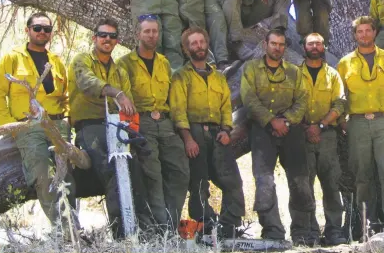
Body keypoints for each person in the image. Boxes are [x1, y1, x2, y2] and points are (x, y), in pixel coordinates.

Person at [0, 12, 75, 229]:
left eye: (46, 29)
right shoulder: (12, 57)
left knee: (67, 178)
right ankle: (64, 230)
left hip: (57, 126)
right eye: (37, 28)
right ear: (28, 30)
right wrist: (12, 127)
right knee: (43, 175)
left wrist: (67, 119)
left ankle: (75, 227)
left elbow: (66, 95)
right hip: (28, 126)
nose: (42, 32)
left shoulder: (56, 61)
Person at [239, 29, 313, 244]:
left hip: (292, 131)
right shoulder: (251, 69)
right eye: (273, 44)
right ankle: (272, 232)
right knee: (265, 181)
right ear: (265, 44)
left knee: (300, 180)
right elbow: (248, 99)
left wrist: (286, 121)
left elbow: (302, 100)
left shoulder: (294, 72)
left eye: (281, 45)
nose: (277, 48)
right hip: (262, 130)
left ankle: (301, 233)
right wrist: (272, 121)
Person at [170, 27, 245, 238]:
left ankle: (230, 227)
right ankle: (205, 227)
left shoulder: (218, 78)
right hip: (194, 133)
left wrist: (226, 129)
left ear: (207, 45)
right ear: (187, 49)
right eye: (193, 43)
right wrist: (187, 139)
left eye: (201, 42)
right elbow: (178, 110)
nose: (199, 46)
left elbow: (226, 108)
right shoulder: (181, 77)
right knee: (199, 182)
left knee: (232, 180)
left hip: (218, 134)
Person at [119, 16, 189, 233]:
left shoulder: (164, 62)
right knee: (153, 175)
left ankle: (171, 221)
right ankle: (160, 230)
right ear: (138, 34)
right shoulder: (125, 63)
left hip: (166, 124)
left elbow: (172, 98)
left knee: (180, 171)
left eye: (155, 31)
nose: (151, 35)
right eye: (147, 31)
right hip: (143, 123)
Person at [337, 16, 384, 230]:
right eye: (360, 31)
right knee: (362, 175)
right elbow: (339, 97)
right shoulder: (345, 62)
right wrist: (343, 122)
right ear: (355, 35)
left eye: (368, 30)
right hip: (357, 124)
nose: (364, 35)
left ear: (375, 32)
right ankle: (369, 224)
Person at [68, 18, 136, 238]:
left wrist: (133, 130)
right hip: (90, 125)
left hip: (117, 127)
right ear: (94, 37)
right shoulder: (82, 60)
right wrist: (115, 92)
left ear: (117, 41)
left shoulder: (120, 72)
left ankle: (136, 230)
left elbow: (129, 106)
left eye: (112, 36)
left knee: (131, 171)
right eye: (103, 35)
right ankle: (121, 236)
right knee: (111, 172)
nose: (108, 39)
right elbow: (87, 82)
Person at [290, 33, 347, 246]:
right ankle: (306, 232)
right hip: (301, 136)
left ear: (324, 47)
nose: (314, 46)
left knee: (331, 185)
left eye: (318, 43)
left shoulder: (332, 75)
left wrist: (320, 125)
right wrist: (305, 127)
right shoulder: (294, 74)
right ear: (303, 47)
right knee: (303, 185)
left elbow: (340, 103)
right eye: (310, 43)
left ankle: (334, 231)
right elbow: (289, 103)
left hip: (327, 137)